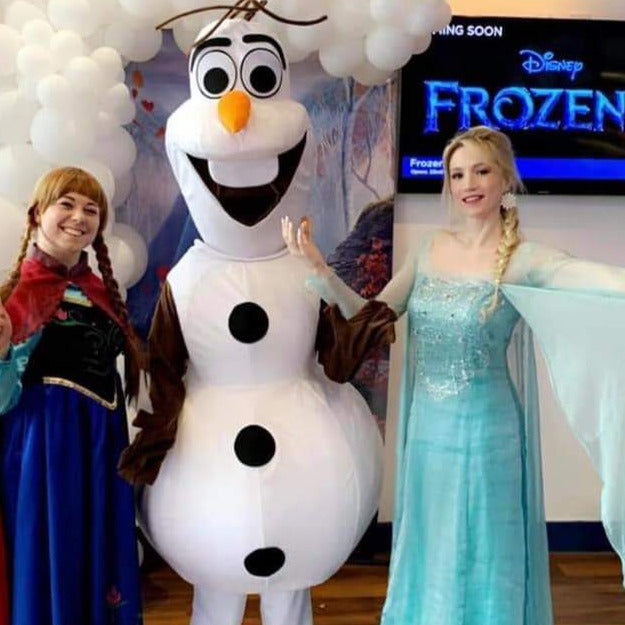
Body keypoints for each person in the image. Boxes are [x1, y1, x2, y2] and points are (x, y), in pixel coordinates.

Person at [282, 125, 625, 625]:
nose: (468, 184)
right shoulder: (429, 248)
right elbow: (370, 318)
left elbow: (596, 281)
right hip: (427, 435)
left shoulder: (525, 258)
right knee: (434, 546)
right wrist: (320, 272)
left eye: (481, 171)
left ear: (505, 179)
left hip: (490, 434)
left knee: (486, 551)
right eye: (458, 174)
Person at [0, 167, 143, 625]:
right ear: (37, 213)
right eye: (67, 204)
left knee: (98, 552)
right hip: (43, 450)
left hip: (102, 443)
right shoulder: (13, 296)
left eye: (91, 209)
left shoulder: (101, 291)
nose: (79, 217)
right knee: (51, 552)